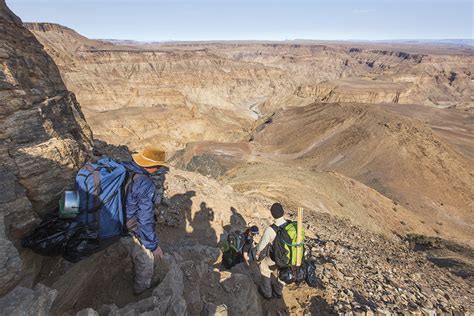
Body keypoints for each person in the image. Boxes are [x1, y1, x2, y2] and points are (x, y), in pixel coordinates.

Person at [120, 147, 166, 295]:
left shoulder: (123, 167)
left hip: (106, 215)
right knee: (146, 260)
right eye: (158, 166)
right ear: (151, 166)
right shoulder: (145, 184)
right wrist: (153, 246)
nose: (159, 169)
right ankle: (142, 290)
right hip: (124, 224)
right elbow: (144, 219)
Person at [256, 203, 287, 299]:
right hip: (290, 257)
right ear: (283, 212)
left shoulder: (270, 230)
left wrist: (257, 253)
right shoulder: (291, 226)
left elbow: (261, 246)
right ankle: (278, 291)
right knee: (284, 271)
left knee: (264, 267)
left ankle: (267, 293)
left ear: (272, 215)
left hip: (277, 258)